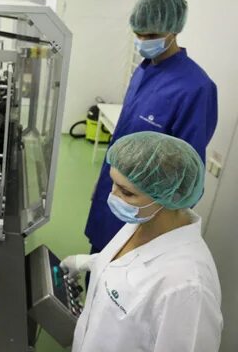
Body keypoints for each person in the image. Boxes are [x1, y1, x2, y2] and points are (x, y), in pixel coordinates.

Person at [85, 0, 218, 258]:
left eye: (152, 36)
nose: (143, 41)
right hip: (114, 193)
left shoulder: (196, 88)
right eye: (139, 34)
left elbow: (186, 175)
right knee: (99, 262)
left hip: (145, 211)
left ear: (173, 31)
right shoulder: (144, 69)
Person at [63, 132, 222, 351]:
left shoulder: (188, 287)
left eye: (126, 192)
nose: (113, 195)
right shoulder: (144, 219)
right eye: (113, 183)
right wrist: (84, 262)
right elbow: (128, 264)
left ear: (169, 196)